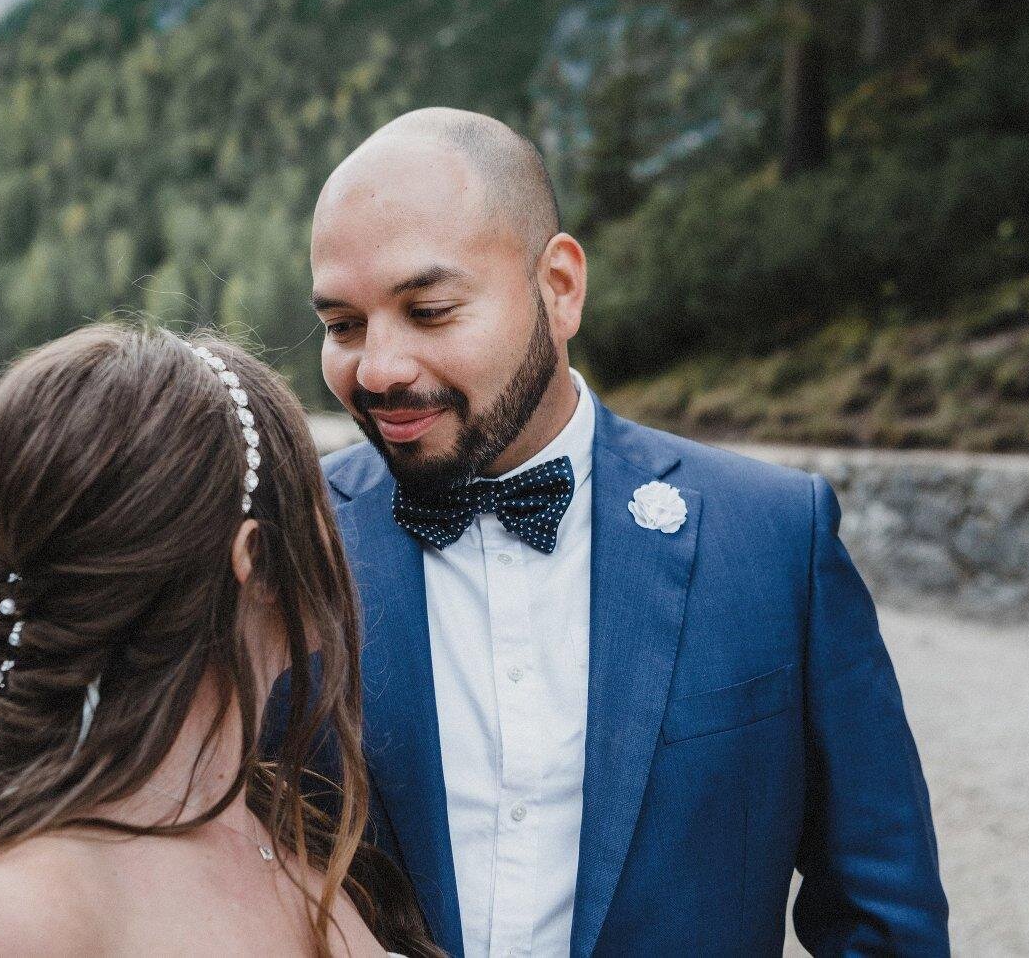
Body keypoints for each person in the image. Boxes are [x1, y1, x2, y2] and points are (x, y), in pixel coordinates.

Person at [305, 108, 950, 956]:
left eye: (428, 311)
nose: (378, 368)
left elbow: (883, 918)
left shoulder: (775, 540)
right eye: (343, 326)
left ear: (560, 288)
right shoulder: (284, 538)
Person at [0, 323, 439, 957]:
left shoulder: (293, 837)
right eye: (317, 500)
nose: (341, 537)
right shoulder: (22, 916)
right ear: (255, 561)